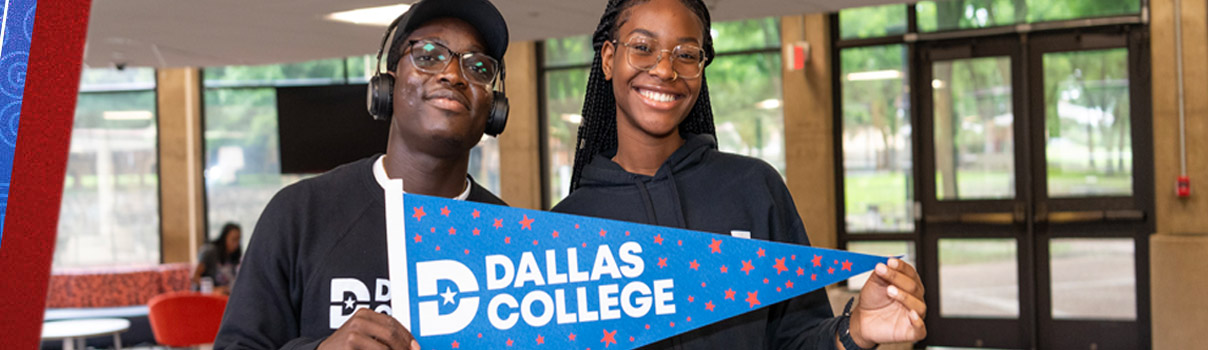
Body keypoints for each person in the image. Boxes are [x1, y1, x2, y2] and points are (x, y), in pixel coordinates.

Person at [551, 0, 928, 349]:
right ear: (609, 58)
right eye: (643, 47)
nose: (665, 69)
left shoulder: (753, 188)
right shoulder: (563, 229)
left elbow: (795, 337)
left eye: (686, 54)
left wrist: (854, 330)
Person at [215, 0, 511, 349]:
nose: (453, 75)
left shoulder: (513, 238)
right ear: (387, 85)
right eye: (429, 56)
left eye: (477, 67)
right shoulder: (300, 213)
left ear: (494, 109)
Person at [195, 223, 244, 295]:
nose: (236, 244)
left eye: (238, 240)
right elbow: (195, 277)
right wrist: (214, 289)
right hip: (208, 295)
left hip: (227, 294)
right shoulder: (210, 252)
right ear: (224, 238)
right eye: (233, 239)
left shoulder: (234, 256)